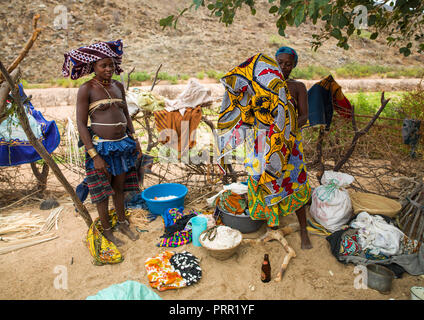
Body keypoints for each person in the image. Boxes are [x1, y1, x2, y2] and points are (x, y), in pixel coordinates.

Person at [216, 50, 312, 250]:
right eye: (280, 62)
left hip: (288, 143)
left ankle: (303, 229)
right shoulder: (259, 87)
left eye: (288, 64)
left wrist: (283, 127)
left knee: (293, 181)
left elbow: (304, 117)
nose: (284, 67)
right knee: (263, 180)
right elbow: (246, 111)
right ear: (273, 63)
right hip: (260, 142)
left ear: (294, 66)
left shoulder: (297, 87)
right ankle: (273, 225)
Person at [63, 40, 141, 246]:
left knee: (120, 187)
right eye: (103, 65)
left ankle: (122, 222)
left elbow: (126, 114)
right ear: (93, 67)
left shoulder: (118, 86)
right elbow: (81, 122)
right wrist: (93, 155)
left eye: (111, 65)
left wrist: (135, 140)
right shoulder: (87, 89)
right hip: (101, 147)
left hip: (122, 144)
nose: (108, 69)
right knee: (102, 191)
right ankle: (107, 231)